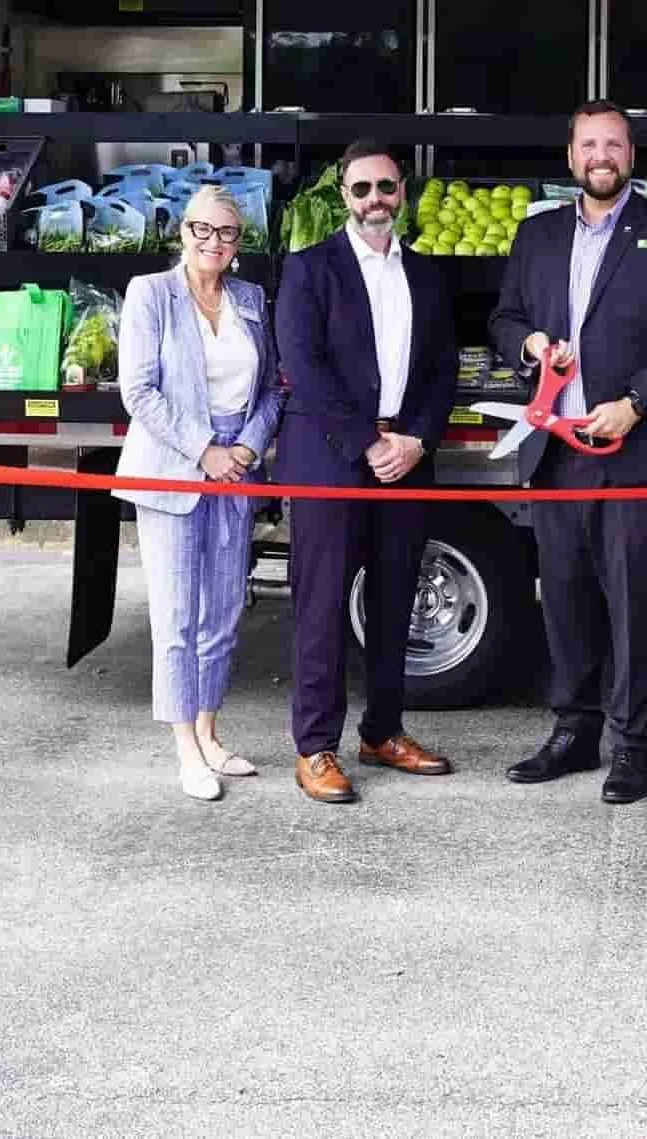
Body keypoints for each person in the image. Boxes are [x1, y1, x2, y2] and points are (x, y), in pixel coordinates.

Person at [491, 101, 647, 804]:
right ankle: (574, 729)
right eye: (588, 143)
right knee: (563, 600)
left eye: (613, 144)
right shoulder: (536, 235)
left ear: (631, 156)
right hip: (558, 451)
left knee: (633, 602)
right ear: (569, 157)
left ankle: (632, 743)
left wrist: (636, 404)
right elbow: (504, 319)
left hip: (637, 450)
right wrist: (529, 345)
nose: (601, 155)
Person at [274, 141, 458, 805]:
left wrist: (417, 439)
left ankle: (384, 730)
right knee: (321, 604)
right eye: (361, 189)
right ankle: (314, 745)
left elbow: (443, 367)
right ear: (343, 198)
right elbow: (303, 365)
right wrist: (364, 442)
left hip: (406, 456)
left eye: (385, 186)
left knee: (393, 601)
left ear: (401, 191)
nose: (374, 199)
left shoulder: (429, 274)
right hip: (331, 456)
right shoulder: (309, 268)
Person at [116, 185, 283, 803]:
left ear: (241, 243)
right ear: (181, 232)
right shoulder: (150, 294)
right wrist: (203, 451)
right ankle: (186, 747)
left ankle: (211, 733)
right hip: (172, 471)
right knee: (177, 619)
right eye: (202, 230)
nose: (214, 243)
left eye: (228, 233)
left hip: (236, 470)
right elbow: (140, 391)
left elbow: (273, 387)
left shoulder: (251, 298)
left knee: (223, 615)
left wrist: (249, 444)